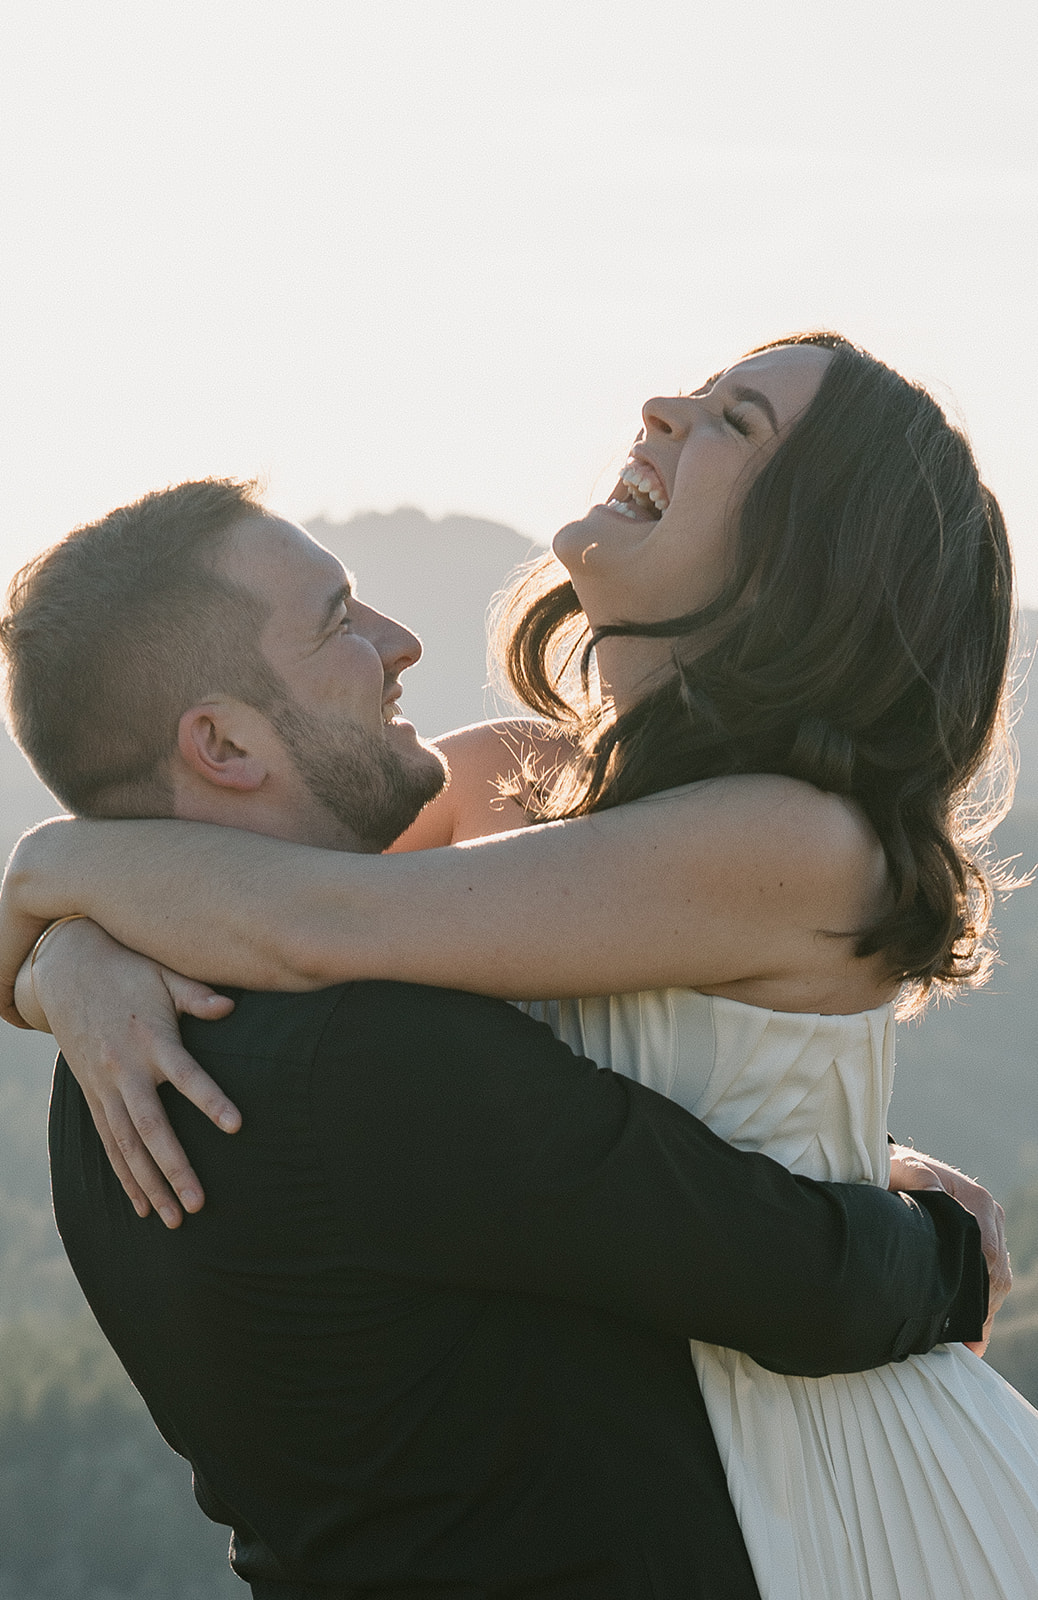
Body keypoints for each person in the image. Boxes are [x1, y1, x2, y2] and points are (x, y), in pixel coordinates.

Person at [3, 332, 1037, 1595]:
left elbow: (315, 921)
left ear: (807, 555)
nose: (664, 406)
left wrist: (55, 879)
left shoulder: (797, 840)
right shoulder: (515, 779)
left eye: (736, 423)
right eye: (702, 392)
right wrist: (71, 957)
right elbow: (270, 863)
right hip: (723, 1469)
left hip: (852, 1487)